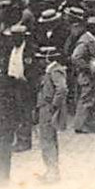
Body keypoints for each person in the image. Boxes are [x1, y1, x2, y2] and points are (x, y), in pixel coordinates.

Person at [34, 45, 67, 181]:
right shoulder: (51, 70)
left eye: (41, 59)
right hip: (45, 107)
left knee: (48, 140)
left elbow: (62, 89)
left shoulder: (54, 70)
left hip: (48, 108)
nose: (40, 61)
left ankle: (53, 172)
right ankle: (50, 170)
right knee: (46, 140)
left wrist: (54, 105)